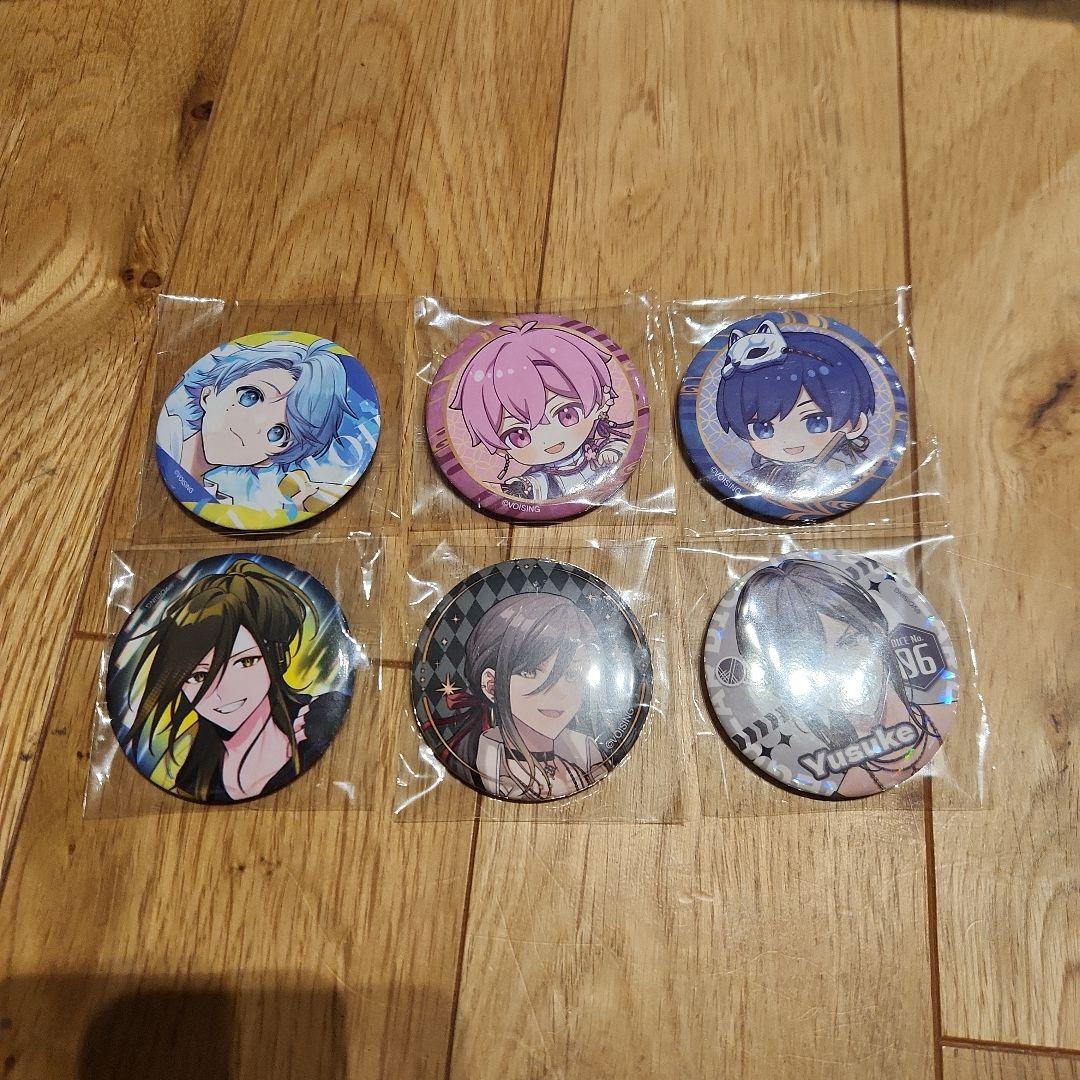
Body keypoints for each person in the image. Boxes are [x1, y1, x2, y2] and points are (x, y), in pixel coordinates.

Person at [112, 558, 347, 802]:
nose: (223, 691)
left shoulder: (318, 716)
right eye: (199, 676)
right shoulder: (192, 780)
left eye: (245, 662)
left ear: (276, 657)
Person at [734, 559, 947, 796]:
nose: (836, 669)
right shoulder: (844, 785)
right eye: (810, 660)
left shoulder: (946, 714)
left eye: (850, 641)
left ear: (877, 632)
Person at [157, 336, 358, 514]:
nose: (253, 426)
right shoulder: (167, 436)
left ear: (266, 461)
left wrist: (295, 512)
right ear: (209, 395)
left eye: (277, 433)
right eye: (250, 397)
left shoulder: (219, 506)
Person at [437, 593, 610, 800]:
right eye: (530, 672)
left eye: (572, 675)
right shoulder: (477, 764)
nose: (558, 692)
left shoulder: (588, 756)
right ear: (491, 685)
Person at [449, 321, 631, 502]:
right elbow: (533, 485)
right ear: (500, 449)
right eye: (519, 436)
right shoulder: (544, 480)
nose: (547, 437)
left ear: (602, 402)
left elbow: (620, 446)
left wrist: (610, 453)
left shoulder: (597, 449)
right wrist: (518, 487)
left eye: (566, 414)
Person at [714, 321, 877, 498]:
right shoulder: (754, 479)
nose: (790, 439)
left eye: (816, 422)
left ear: (856, 425)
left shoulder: (848, 476)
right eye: (764, 428)